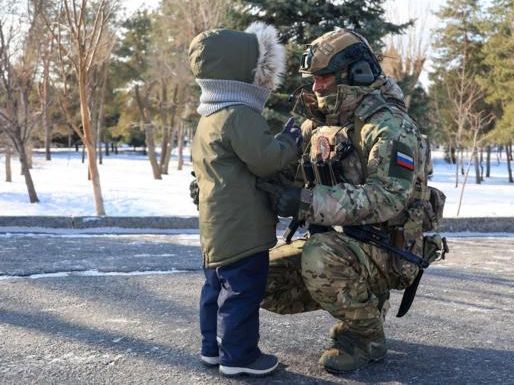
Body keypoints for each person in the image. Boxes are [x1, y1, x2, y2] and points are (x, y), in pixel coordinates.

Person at [259, 28, 441, 373]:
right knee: (259, 275)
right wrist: (224, 187)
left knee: (320, 256)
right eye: (313, 79)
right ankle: (364, 305)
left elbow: (389, 197)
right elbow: (288, 176)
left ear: (354, 74)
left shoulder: (390, 126)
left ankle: (365, 337)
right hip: (344, 245)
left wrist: (306, 203)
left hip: (388, 250)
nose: (316, 87)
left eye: (324, 77)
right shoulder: (321, 123)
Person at [188, 22, 300, 377]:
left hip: (216, 226)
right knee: (242, 293)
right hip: (242, 227)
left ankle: (213, 348)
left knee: (214, 288)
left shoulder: (209, 116)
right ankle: (240, 357)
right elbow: (266, 159)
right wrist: (290, 139)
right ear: (245, 72)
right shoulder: (238, 114)